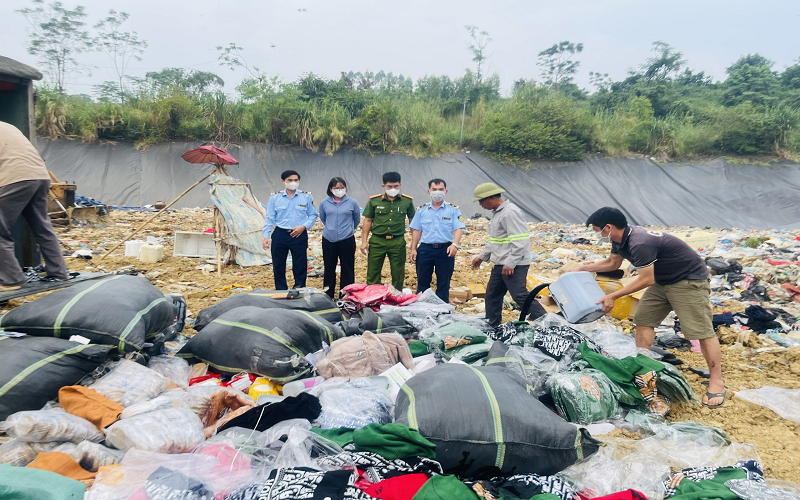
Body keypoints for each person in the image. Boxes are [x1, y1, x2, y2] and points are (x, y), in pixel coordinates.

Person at [572, 207, 726, 409]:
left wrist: (612, 296)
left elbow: (646, 278)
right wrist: (583, 267)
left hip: (688, 280)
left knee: (700, 331)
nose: (598, 235)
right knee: (643, 320)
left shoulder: (639, 241)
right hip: (663, 281)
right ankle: (643, 368)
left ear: (608, 227)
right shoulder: (618, 240)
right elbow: (612, 263)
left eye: (598, 230)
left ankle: (717, 380)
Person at [0, 121, 68, 291]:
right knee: (42, 227)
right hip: (40, 176)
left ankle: (11, 279)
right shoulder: (9, 126)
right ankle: (58, 272)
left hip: (15, 178)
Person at [471, 182, 545, 327]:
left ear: (490, 198)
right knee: (492, 296)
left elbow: (520, 241)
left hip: (514, 264)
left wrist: (511, 262)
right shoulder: (498, 214)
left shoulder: (510, 213)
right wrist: (482, 256)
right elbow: (495, 241)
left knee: (519, 295)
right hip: (500, 263)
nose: (480, 204)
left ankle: (547, 321)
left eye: (481, 201)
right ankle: (493, 326)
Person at [409, 178, 465, 302]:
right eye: (434, 189)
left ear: (446, 191)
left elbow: (458, 229)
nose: (437, 192)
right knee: (422, 282)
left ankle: (442, 309)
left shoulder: (453, 210)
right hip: (425, 249)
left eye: (441, 189)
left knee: (443, 283)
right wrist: (413, 248)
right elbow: (417, 231)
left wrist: (454, 245)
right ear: (429, 191)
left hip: (445, 250)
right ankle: (422, 308)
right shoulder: (421, 210)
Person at [262, 170, 318, 290]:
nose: (293, 183)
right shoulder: (275, 198)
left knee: (300, 264)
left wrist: (303, 226)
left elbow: (313, 215)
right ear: (283, 182)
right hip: (280, 233)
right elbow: (269, 218)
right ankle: (281, 289)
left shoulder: (306, 197)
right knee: (278, 264)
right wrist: (266, 236)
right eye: (290, 180)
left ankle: (299, 287)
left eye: (296, 180)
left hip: (299, 233)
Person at [360, 172, 415, 290]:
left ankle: (396, 297)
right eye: (389, 186)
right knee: (373, 272)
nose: (393, 189)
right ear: (383, 186)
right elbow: (368, 221)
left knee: (398, 272)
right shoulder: (374, 201)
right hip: (377, 241)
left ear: (400, 185)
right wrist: (364, 241)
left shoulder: (407, 201)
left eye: (396, 186)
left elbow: (413, 222)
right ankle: (374, 296)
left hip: (397, 241)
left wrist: (414, 244)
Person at [318, 177, 360, 298]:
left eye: (342, 188)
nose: (340, 190)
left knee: (347, 268)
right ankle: (328, 294)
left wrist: (348, 229)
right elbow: (323, 218)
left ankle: (346, 294)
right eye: (337, 188)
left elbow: (356, 219)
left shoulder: (352, 202)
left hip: (346, 239)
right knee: (329, 267)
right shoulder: (324, 203)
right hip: (329, 239)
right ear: (331, 189)